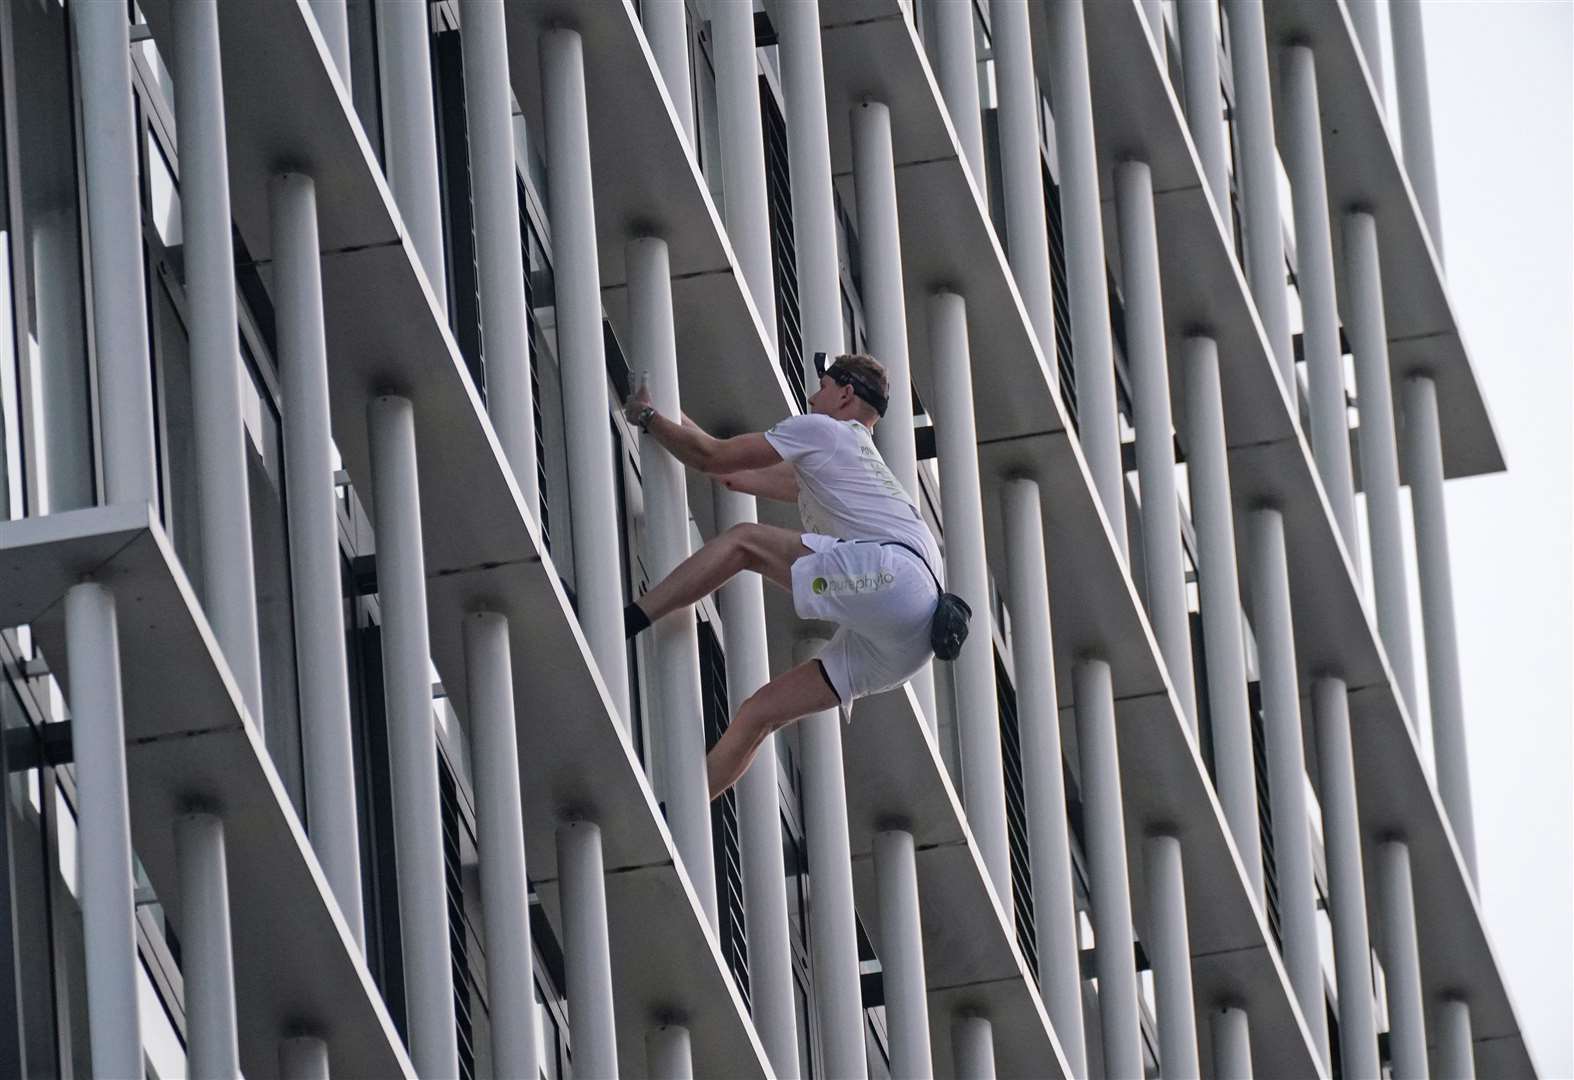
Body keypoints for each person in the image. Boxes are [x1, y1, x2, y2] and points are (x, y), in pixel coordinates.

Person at [623, 352, 943, 800]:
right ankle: (680, 814)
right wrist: (669, 411)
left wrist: (648, 416)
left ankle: (629, 620)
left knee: (744, 543)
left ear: (846, 394)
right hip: (912, 641)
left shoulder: (822, 431)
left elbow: (711, 458)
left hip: (894, 577)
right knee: (759, 713)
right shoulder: (853, 464)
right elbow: (734, 474)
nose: (813, 396)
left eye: (824, 386)